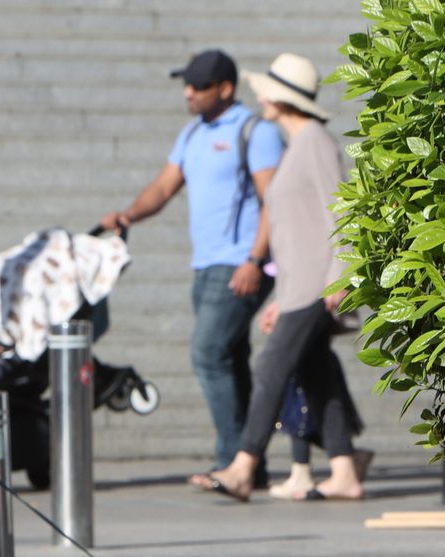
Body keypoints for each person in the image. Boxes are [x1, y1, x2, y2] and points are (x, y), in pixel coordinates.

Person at [99, 48, 283, 480]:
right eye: (186, 84)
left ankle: (230, 460)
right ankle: (249, 463)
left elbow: (274, 200)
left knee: (207, 353)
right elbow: (164, 187)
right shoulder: (193, 134)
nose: (188, 93)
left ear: (225, 89)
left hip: (240, 264)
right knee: (229, 358)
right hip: (205, 267)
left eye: (198, 86)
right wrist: (129, 215)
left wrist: (256, 260)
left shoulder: (255, 131)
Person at [190, 54, 365, 502]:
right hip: (298, 285)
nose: (260, 95)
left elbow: (340, 214)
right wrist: (279, 297)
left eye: (266, 89)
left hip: (316, 285)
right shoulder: (297, 144)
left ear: (282, 98)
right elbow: (296, 232)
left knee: (271, 366)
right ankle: (344, 470)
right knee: (314, 372)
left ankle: (244, 466)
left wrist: (341, 276)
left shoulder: (316, 144)